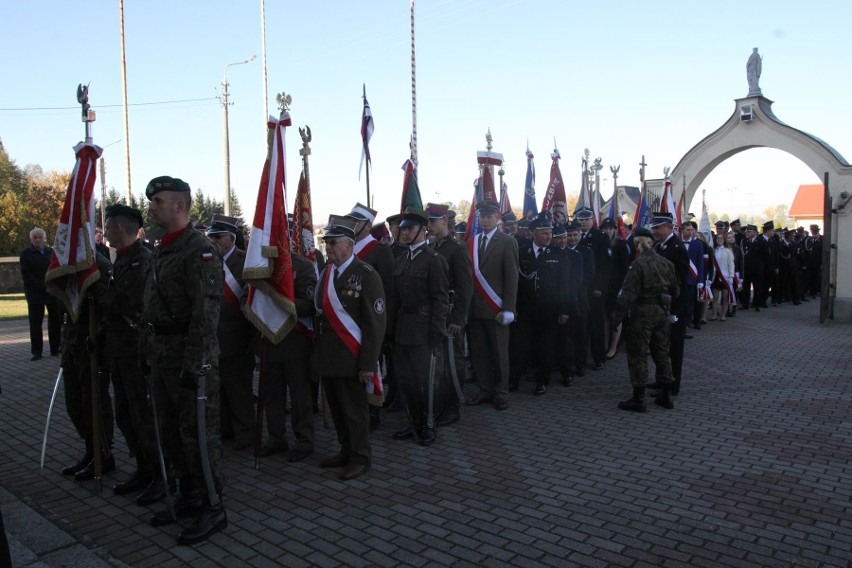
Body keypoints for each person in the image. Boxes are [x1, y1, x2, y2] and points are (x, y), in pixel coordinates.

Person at [141, 176, 226, 544]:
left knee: (198, 437)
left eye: (158, 201)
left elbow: (205, 314)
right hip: (163, 357)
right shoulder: (163, 247)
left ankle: (213, 506)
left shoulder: (199, 249)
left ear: (179, 205)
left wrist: (197, 366)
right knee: (172, 433)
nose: (152, 207)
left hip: (190, 359)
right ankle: (188, 495)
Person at [101, 204, 165, 505]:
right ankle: (143, 467)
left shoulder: (143, 260)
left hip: (138, 353)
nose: (107, 232)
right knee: (125, 414)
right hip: (120, 351)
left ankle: (160, 476)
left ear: (121, 228)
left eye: (110, 226)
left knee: (142, 415)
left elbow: (131, 303)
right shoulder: (122, 261)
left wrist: (102, 296)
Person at [314, 215, 385, 479]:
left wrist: (368, 364)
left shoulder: (367, 275)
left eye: (333, 242)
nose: (328, 247)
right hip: (329, 356)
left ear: (350, 244)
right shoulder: (327, 272)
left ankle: (360, 457)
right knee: (338, 410)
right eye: (326, 242)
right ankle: (345, 450)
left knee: (355, 412)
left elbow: (375, 324)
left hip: (352, 356)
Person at [389, 208, 449, 445]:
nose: (405, 233)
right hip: (404, 327)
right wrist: (390, 329)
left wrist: (437, 329)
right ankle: (414, 421)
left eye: (410, 228)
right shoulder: (402, 259)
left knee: (427, 380)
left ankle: (429, 424)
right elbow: (394, 298)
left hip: (424, 328)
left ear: (423, 230)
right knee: (406, 380)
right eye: (403, 229)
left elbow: (441, 298)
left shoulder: (434, 260)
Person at [251, 251, 317, 462]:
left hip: (295, 342)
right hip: (268, 341)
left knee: (300, 396)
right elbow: (248, 295)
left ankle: (304, 440)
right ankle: (275, 438)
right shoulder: (258, 265)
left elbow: (309, 305)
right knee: (272, 394)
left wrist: (277, 301)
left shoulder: (303, 266)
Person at [58, 253, 115, 481]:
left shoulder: (97, 263)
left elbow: (109, 304)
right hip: (72, 339)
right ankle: (90, 451)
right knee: (74, 402)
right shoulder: (67, 261)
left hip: (91, 341)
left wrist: (98, 336)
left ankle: (103, 454)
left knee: (93, 401)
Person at [611, 227, 680, 412]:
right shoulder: (666, 263)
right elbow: (676, 291)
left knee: (638, 354)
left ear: (636, 245)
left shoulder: (638, 265)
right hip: (661, 312)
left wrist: (615, 319)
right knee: (662, 353)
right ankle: (666, 394)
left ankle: (639, 397)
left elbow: (627, 294)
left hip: (642, 314)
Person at [510, 213, 575, 396]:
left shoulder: (558, 254)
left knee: (545, 348)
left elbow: (564, 284)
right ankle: (514, 380)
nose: (548, 237)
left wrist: (564, 310)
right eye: (544, 233)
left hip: (548, 310)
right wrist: (513, 306)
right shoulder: (522, 252)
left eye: (550, 233)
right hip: (525, 309)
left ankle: (542, 381)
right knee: (519, 347)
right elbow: (516, 281)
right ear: (533, 234)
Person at [206, 218, 256, 451]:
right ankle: (226, 429)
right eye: (211, 237)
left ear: (231, 239)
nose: (212, 241)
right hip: (214, 335)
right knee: (220, 388)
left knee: (239, 389)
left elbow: (249, 298)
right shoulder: (207, 260)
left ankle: (246, 433)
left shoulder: (244, 262)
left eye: (217, 237)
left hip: (238, 335)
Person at [465, 200, 519, 411]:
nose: (485, 220)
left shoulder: (506, 241)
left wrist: (509, 308)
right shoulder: (471, 242)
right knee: (479, 353)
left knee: (499, 353)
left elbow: (512, 277)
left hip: (496, 309)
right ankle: (485, 389)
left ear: (497, 218)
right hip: (476, 308)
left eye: (489, 216)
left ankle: (501, 392)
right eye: (482, 217)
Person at [347, 202, 394, 431]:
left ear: (367, 226)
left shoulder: (380, 250)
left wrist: (384, 323)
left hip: (372, 319)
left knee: (372, 365)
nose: (353, 225)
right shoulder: (348, 248)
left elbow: (388, 290)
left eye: (357, 222)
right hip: (349, 321)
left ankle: (373, 411)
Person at [426, 203, 472, 427]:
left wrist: (458, 318)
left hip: (451, 314)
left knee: (454, 360)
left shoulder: (457, 248)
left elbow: (465, 286)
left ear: (445, 221)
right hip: (437, 313)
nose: (429, 226)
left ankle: (453, 406)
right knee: (440, 361)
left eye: (433, 222)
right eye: (428, 222)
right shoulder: (433, 246)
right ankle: (441, 402)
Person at [649, 212, 689, 396]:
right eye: (654, 227)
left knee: (673, 347)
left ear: (669, 227)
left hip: (674, 306)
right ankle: (661, 380)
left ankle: (672, 385)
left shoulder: (677, 248)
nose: (654, 231)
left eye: (658, 227)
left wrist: (672, 306)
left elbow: (678, 281)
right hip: (660, 305)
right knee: (660, 346)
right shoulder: (660, 246)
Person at [576, 208, 610, 370]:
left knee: (596, 325)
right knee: (581, 325)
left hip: (594, 289)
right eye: (580, 219)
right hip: (579, 288)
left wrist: (599, 287)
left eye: (585, 219)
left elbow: (604, 265)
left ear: (592, 220)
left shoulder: (600, 237)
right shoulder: (574, 236)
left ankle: (599, 357)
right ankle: (580, 358)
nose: (582, 222)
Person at [19, 228, 61, 360]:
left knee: (55, 322)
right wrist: (43, 286)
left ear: (45, 238)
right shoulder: (26, 254)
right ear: (31, 239)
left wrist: (53, 285)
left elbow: (57, 269)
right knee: (36, 323)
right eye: (35, 237)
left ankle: (55, 349)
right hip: (35, 293)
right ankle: (37, 351)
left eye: (40, 237)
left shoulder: (51, 252)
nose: (38, 239)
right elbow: (27, 274)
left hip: (52, 292)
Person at [564, 222, 594, 378]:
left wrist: (578, 289)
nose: (572, 238)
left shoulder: (586, 252)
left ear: (580, 235)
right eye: (569, 235)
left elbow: (589, 274)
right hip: (565, 299)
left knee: (581, 334)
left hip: (581, 298)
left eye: (575, 235)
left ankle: (580, 364)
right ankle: (566, 364)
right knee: (567, 334)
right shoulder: (562, 252)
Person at [602, 217, 630, 359]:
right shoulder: (601, 243)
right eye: (605, 228)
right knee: (605, 318)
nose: (607, 231)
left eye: (610, 228)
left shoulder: (620, 245)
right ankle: (605, 345)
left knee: (615, 318)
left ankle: (613, 347)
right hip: (603, 287)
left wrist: (622, 288)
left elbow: (624, 268)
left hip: (616, 287)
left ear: (614, 230)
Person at [741, 224, 768, 310]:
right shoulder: (744, 241)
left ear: (755, 232)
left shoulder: (761, 241)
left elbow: (765, 256)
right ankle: (745, 304)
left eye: (749, 231)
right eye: (746, 232)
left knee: (757, 287)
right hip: (747, 268)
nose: (747, 233)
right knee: (745, 287)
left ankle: (756, 304)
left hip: (757, 268)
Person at [711, 232, 735, 321]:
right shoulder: (713, 250)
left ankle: (723, 315)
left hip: (725, 276)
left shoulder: (728, 251)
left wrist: (731, 276)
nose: (720, 240)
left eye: (721, 238)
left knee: (725, 296)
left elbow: (731, 264)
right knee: (715, 296)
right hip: (715, 276)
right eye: (718, 238)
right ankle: (714, 314)